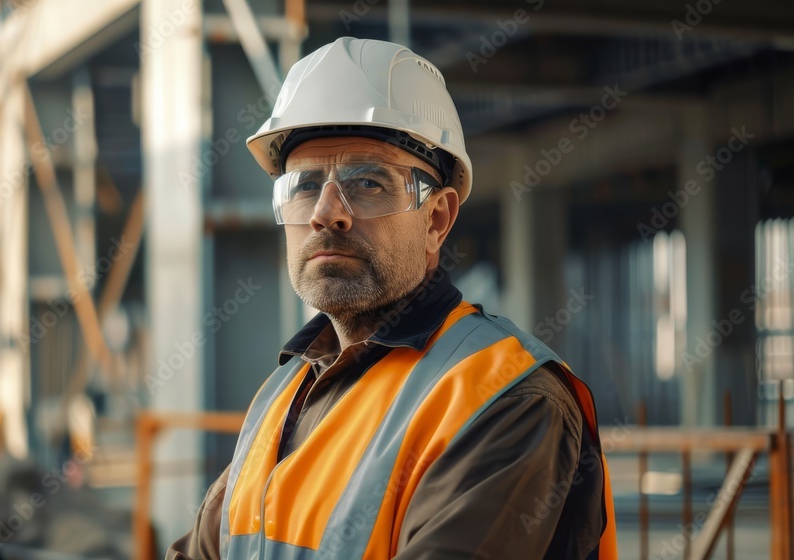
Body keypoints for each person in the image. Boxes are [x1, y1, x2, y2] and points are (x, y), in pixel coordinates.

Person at [167, 37, 617, 560]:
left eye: (368, 183)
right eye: (305, 185)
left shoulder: (507, 400)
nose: (325, 213)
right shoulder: (284, 391)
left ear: (437, 219)